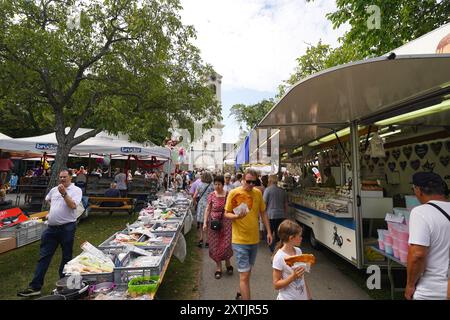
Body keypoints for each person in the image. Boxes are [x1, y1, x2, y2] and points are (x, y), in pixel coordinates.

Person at [18, 169, 82, 297]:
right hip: (51, 229)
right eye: (60, 177)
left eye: (64, 177)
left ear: (71, 178)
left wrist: (64, 194)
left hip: (67, 228)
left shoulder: (76, 190)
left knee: (66, 257)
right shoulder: (54, 190)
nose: (62, 179)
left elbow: (73, 206)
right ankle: (35, 287)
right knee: (44, 257)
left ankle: (64, 285)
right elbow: (48, 199)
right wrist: (54, 211)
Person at [224, 168, 272, 300]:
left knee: (247, 272)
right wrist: (236, 217)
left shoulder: (257, 193)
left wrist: (268, 231)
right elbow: (226, 213)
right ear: (242, 180)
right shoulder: (234, 193)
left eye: (254, 182)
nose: (251, 185)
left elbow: (263, 212)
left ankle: (241, 292)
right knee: (244, 276)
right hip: (239, 240)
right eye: (248, 182)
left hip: (254, 240)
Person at [405, 172, 450, 300]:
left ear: (418, 190)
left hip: (432, 291)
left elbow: (417, 255)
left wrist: (410, 285)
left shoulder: (420, 212)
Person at [272, 219, 312, 300]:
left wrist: (309, 297)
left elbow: (302, 278)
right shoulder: (279, 257)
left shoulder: (298, 251)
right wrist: (293, 277)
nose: (301, 238)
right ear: (291, 238)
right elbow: (276, 285)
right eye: (299, 236)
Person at [203, 175, 233, 279]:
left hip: (226, 222)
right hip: (214, 222)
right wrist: (205, 222)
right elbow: (208, 208)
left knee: (226, 243)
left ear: (223, 184)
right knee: (215, 244)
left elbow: (232, 208)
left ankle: (228, 262)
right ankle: (218, 267)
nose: (217, 186)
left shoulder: (228, 194)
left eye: (219, 184)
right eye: (215, 184)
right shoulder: (211, 195)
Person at [264, 174, 289, 252]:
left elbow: (264, 203)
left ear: (270, 180)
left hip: (270, 215)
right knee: (279, 234)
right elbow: (286, 205)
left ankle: (273, 249)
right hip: (281, 215)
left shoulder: (268, 190)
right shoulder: (282, 191)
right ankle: (278, 249)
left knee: (268, 233)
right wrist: (285, 215)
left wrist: (262, 216)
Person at [193, 172, 214, 248]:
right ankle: (208, 241)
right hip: (209, 205)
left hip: (201, 205)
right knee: (208, 223)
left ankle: (201, 239)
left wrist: (195, 203)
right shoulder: (212, 186)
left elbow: (194, 196)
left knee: (201, 223)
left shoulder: (199, 185)